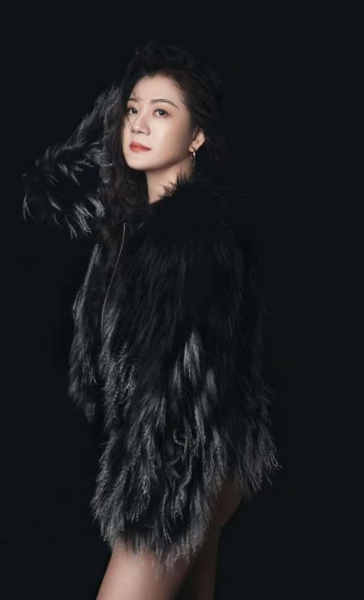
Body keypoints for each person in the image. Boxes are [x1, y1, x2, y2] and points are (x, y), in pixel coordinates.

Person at [22, 40, 282, 600]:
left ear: (197, 136)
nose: (138, 124)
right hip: (202, 463)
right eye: (131, 109)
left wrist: (151, 490)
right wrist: (131, 90)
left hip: (177, 467)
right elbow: (51, 188)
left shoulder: (190, 236)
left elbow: (187, 390)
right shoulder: (134, 225)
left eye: (162, 112)